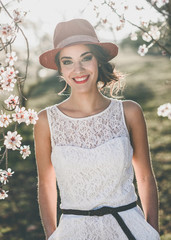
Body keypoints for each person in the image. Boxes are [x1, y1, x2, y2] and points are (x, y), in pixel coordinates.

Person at [34, 18, 160, 240]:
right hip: (73, 232)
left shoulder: (129, 112)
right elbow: (46, 184)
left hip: (130, 229)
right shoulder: (46, 121)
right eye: (68, 61)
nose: (78, 69)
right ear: (60, 69)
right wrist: (51, 235)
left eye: (85, 58)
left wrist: (152, 231)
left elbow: (145, 178)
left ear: (98, 60)